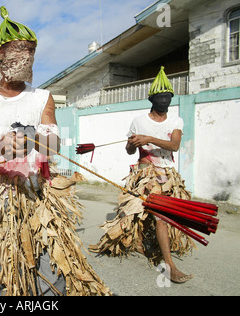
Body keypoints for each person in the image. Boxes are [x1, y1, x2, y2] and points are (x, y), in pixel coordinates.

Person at [0, 6, 111, 296]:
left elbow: (54, 144)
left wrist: (33, 138)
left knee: (51, 275)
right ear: (2, 58)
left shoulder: (43, 98)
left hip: (38, 197)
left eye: (29, 57)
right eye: (17, 57)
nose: (24, 62)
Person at [89, 67, 195, 284]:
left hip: (166, 177)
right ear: (152, 99)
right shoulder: (138, 121)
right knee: (142, 215)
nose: (164, 100)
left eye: (168, 97)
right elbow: (130, 151)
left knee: (161, 217)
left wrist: (150, 138)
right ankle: (163, 262)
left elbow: (174, 145)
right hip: (143, 175)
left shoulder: (176, 121)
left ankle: (160, 257)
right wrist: (131, 143)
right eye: (160, 96)